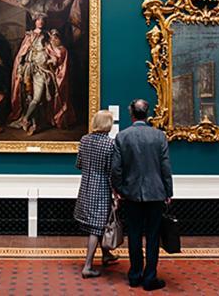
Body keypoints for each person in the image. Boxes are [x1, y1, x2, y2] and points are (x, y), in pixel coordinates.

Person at [111, 99, 173, 291]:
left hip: (131, 193)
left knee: (135, 236)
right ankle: (150, 277)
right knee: (153, 237)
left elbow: (116, 169)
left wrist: (119, 189)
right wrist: (168, 191)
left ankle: (135, 275)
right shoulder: (159, 136)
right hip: (156, 193)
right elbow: (165, 166)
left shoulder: (123, 136)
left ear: (131, 114)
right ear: (147, 114)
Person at [73, 110, 119, 279]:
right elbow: (112, 172)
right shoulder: (110, 144)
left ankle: (106, 255)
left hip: (86, 186)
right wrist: (116, 194)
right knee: (96, 227)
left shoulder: (84, 140)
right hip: (102, 188)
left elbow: (79, 164)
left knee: (98, 223)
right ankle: (88, 266)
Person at [8, 15, 55, 135]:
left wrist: (51, 59)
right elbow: (22, 53)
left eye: (43, 20)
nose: (41, 22)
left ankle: (25, 119)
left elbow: (54, 51)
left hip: (42, 71)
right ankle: (33, 124)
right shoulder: (29, 35)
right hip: (28, 70)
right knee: (29, 98)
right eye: (39, 20)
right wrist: (20, 67)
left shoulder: (48, 36)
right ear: (35, 21)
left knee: (37, 98)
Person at [47, 29, 76, 129]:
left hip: (61, 75)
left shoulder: (63, 49)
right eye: (52, 38)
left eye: (55, 38)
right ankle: (51, 119)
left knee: (61, 95)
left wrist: (54, 62)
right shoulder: (48, 48)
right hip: (50, 74)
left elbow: (63, 63)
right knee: (50, 96)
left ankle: (60, 118)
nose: (53, 40)